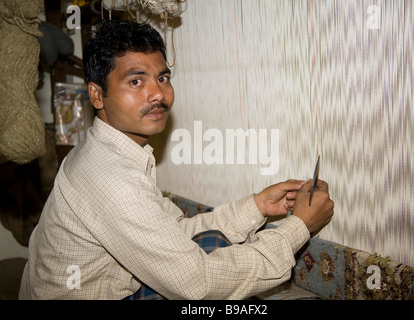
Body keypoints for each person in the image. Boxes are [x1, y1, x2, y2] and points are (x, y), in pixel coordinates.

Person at [19, 19, 334, 300]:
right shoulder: (109, 176)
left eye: (163, 78)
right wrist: (299, 227)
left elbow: (174, 233)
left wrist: (257, 207)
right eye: (136, 81)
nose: (158, 94)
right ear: (97, 95)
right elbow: (197, 283)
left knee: (207, 243)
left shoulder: (110, 151)